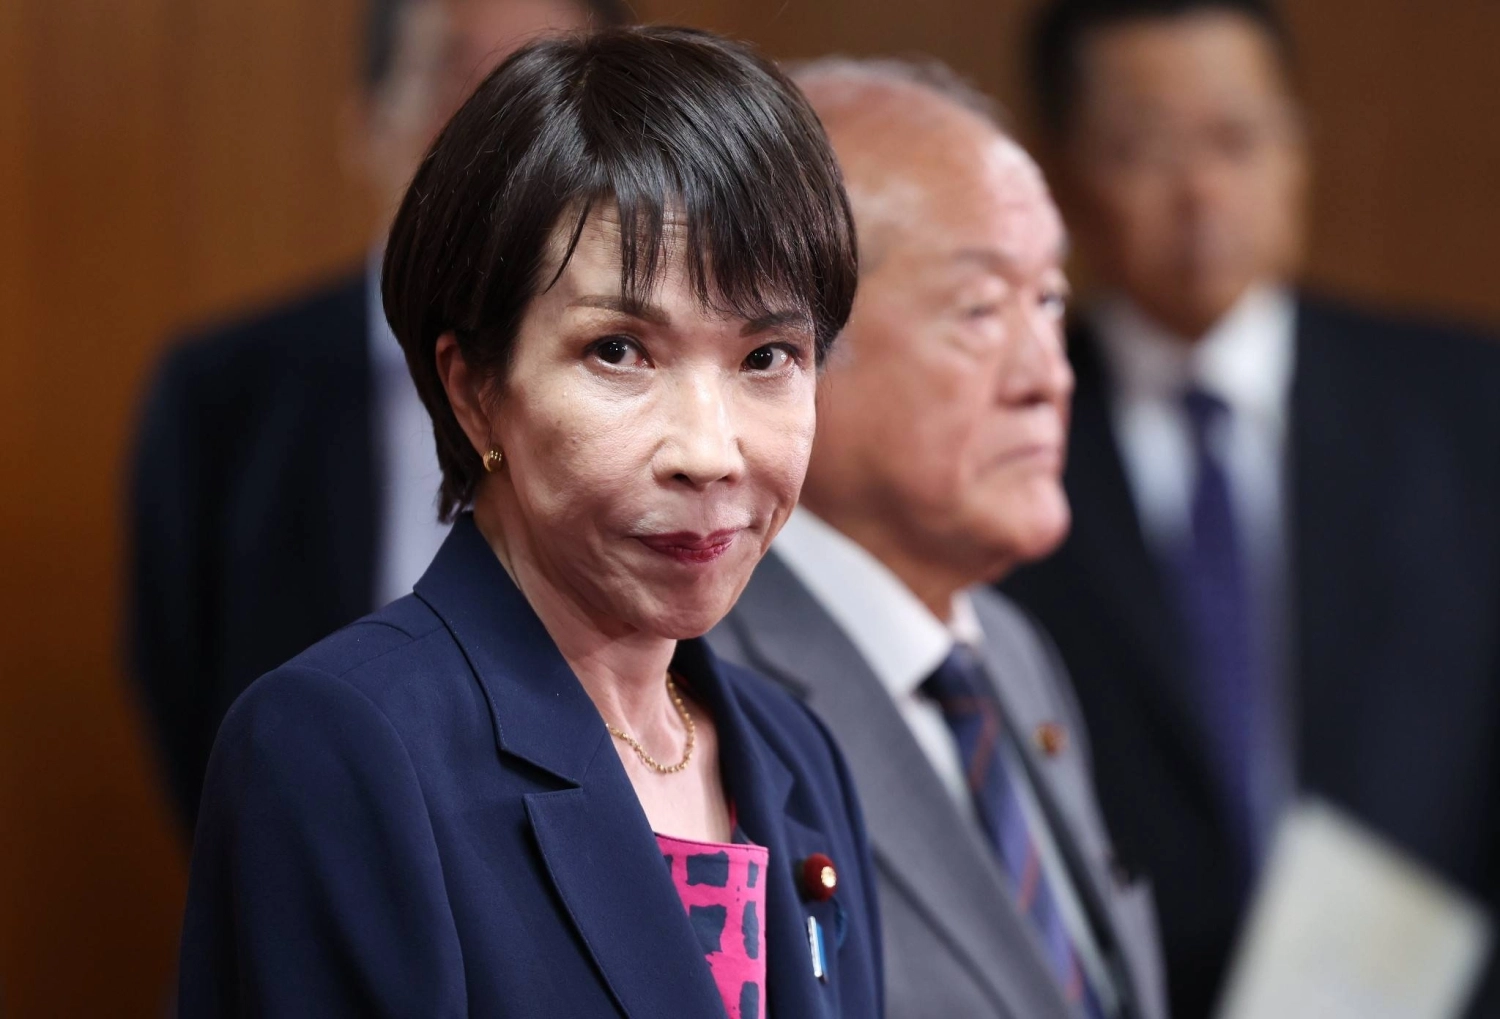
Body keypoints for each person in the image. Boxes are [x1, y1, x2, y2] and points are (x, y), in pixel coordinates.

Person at [178, 27, 882, 1018]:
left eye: (767, 356)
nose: (710, 450)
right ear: (474, 390)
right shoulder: (339, 744)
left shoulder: (793, 748)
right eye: (619, 351)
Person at [1003, 1, 1500, 1015]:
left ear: (1297, 153)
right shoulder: (1003, 436)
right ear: (1058, 180)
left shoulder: (1466, 408)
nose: (1203, 192)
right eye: (1144, 149)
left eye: (1237, 139)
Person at [709, 59, 1166, 1019]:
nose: (1048, 376)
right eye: (982, 309)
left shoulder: (1011, 651)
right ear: (786, 352)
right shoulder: (703, 688)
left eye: (1050, 301)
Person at [127, 0, 628, 833]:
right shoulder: (219, 397)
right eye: (457, 76)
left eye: (549, 85)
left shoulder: (687, 400)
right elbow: (186, 694)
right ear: (367, 122)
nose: (499, 131)